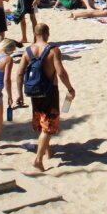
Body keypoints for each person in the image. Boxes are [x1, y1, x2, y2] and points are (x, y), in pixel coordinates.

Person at [15, 24, 75, 172]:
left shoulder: (27, 51)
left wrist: (19, 94)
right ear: (47, 33)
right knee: (48, 126)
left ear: (35, 34)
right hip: (49, 91)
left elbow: (19, 73)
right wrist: (70, 88)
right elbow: (60, 72)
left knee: (40, 121)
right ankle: (38, 159)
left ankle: (47, 151)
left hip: (33, 91)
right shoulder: (53, 50)